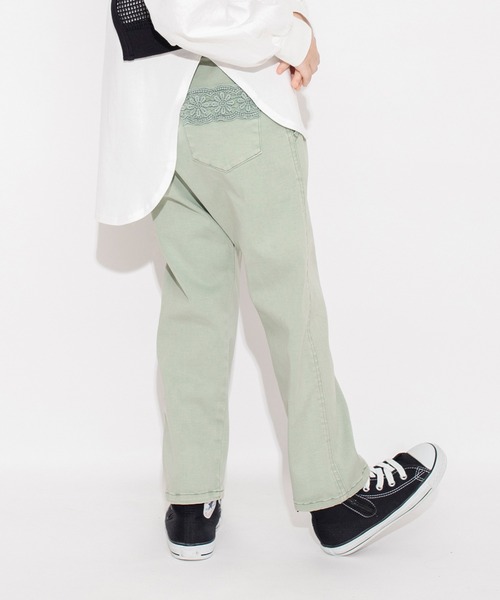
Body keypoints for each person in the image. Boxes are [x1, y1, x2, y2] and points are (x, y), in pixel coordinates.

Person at [96, 1, 447, 561]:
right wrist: (291, 34)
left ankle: (191, 503)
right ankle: (336, 497)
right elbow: (188, 13)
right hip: (236, 95)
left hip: (157, 116)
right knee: (290, 302)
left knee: (193, 311)